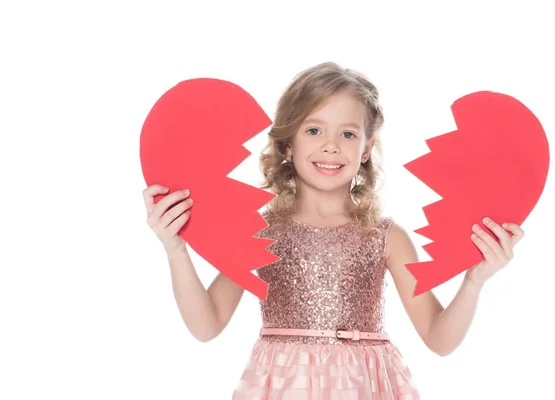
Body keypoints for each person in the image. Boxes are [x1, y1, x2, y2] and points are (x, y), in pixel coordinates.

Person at [142, 61, 525, 399]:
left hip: (364, 386)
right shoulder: (261, 232)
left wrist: (475, 280)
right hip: (283, 386)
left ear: (366, 148)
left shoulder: (387, 237)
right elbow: (206, 325)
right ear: (287, 144)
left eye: (347, 134)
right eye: (313, 131)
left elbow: (440, 340)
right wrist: (176, 250)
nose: (330, 147)